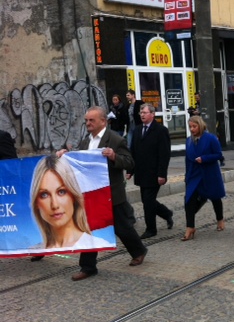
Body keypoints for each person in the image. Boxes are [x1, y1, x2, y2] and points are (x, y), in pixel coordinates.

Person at [50, 107, 148, 280]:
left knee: (122, 227)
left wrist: (114, 156)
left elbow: (130, 163)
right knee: (89, 229)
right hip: (90, 195)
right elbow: (78, 162)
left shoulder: (116, 139)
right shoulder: (85, 142)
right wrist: (65, 156)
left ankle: (138, 250)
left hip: (111, 193)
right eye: (86, 120)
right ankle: (88, 267)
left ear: (103, 121)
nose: (87, 123)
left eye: (91, 120)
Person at [29, 155, 111, 255]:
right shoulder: (32, 250)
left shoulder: (99, 244)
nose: (54, 205)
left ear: (73, 196)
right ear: (36, 203)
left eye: (61, 192)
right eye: (44, 195)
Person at [127, 103, 173, 238]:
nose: (142, 115)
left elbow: (164, 154)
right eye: (141, 113)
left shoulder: (161, 130)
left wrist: (162, 174)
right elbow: (133, 151)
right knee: (147, 200)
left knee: (148, 201)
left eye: (145, 113)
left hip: (154, 173)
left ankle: (151, 229)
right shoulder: (137, 130)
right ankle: (166, 213)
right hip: (141, 173)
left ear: (152, 114)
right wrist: (130, 170)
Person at [181, 116, 225, 241]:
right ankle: (190, 227)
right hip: (194, 174)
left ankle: (220, 219)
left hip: (209, 173)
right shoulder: (189, 141)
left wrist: (204, 158)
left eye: (194, 126)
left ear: (200, 125)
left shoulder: (211, 138)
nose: (192, 129)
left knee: (215, 197)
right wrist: (187, 176)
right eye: (190, 127)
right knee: (189, 199)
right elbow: (187, 159)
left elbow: (218, 155)